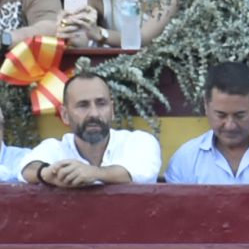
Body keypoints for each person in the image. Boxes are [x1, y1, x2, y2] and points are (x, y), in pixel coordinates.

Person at [163, 61, 249, 184]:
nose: (230, 125)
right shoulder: (185, 160)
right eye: (221, 115)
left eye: (239, 116)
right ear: (206, 106)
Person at [20, 71, 164, 188]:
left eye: (101, 104)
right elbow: (27, 168)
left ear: (112, 110)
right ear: (65, 115)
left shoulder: (139, 142)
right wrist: (46, 174)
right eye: (83, 105)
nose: (94, 113)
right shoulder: (55, 147)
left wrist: (94, 173)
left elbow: (141, 172)